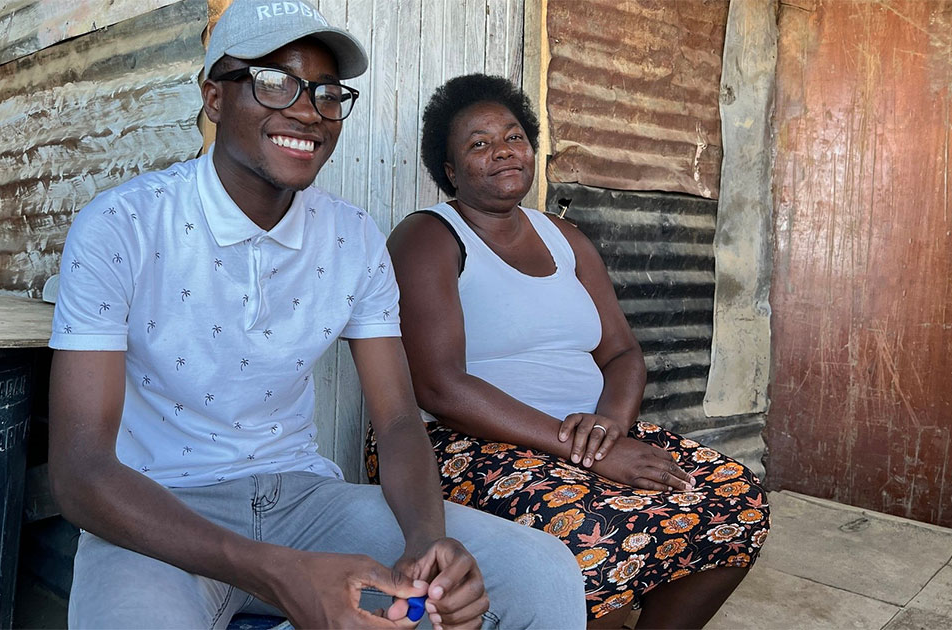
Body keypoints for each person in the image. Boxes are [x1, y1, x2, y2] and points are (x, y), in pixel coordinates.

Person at [47, 4, 584, 627]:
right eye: (275, 82)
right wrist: (277, 571)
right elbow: (81, 471)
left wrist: (423, 544)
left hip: (304, 503)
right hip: (159, 514)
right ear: (214, 97)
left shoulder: (352, 238)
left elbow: (400, 420)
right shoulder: (123, 226)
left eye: (328, 94)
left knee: (541, 574)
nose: (308, 111)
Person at [369, 74, 770, 629]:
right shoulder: (429, 236)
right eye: (478, 144)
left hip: (585, 433)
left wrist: (608, 429)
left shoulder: (566, 236)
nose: (503, 151)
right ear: (450, 170)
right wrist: (588, 452)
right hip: (465, 440)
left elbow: (624, 353)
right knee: (599, 530)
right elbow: (438, 384)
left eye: (513, 136)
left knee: (736, 500)